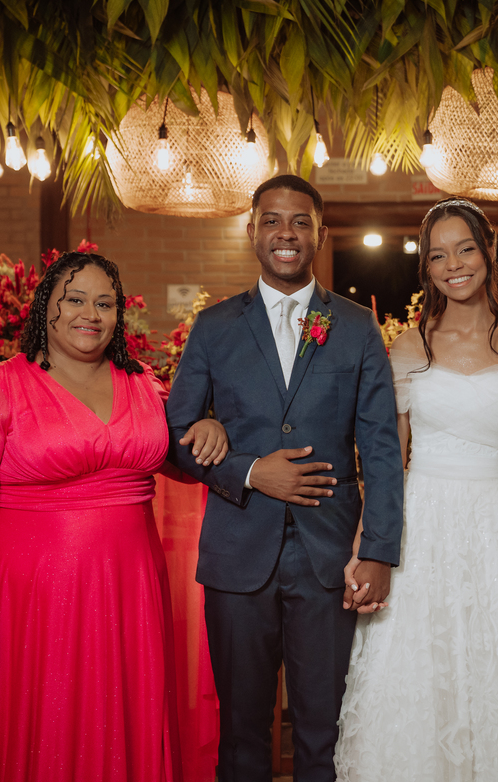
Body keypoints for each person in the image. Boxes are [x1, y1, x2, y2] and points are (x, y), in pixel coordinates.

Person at [0, 251, 227, 781]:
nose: (90, 315)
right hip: (29, 603)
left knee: (125, 722)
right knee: (41, 729)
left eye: (104, 303)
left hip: (131, 595)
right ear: (46, 308)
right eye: (75, 300)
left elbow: (186, 460)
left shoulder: (144, 386)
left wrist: (209, 428)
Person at [333, 198, 498, 782]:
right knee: (423, 674)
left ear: (488, 252)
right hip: (421, 527)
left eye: (465, 249)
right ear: (426, 268)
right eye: (438, 256)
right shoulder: (409, 346)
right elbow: (387, 460)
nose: (453, 265)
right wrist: (366, 544)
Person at [165, 175, 404, 782]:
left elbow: (381, 446)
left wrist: (379, 551)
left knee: (325, 732)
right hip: (237, 553)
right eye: (272, 220)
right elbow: (174, 435)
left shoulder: (355, 325)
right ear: (252, 231)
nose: (286, 233)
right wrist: (248, 471)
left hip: (331, 559)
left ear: (319, 232)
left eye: (300, 221)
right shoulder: (215, 326)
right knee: (242, 732)